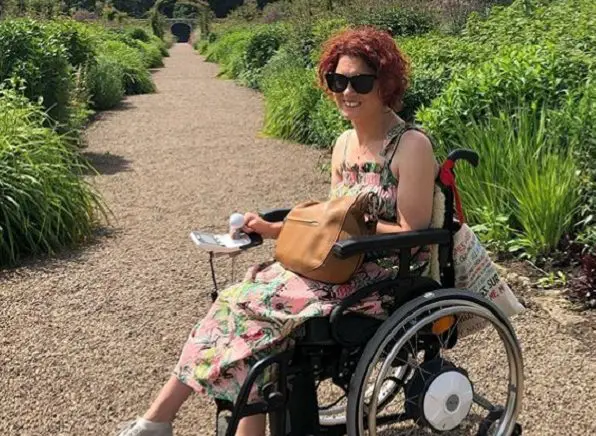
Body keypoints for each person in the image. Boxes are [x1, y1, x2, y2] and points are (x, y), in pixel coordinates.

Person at [117, 26, 438, 436]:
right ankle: (161, 420)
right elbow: (328, 219)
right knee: (237, 303)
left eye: (360, 81)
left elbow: (414, 229)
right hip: (336, 263)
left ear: (386, 83)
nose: (347, 91)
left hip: (382, 274)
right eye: (337, 81)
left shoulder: (410, 146)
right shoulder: (343, 143)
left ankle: (158, 421)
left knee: (254, 315)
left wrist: (357, 227)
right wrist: (271, 228)